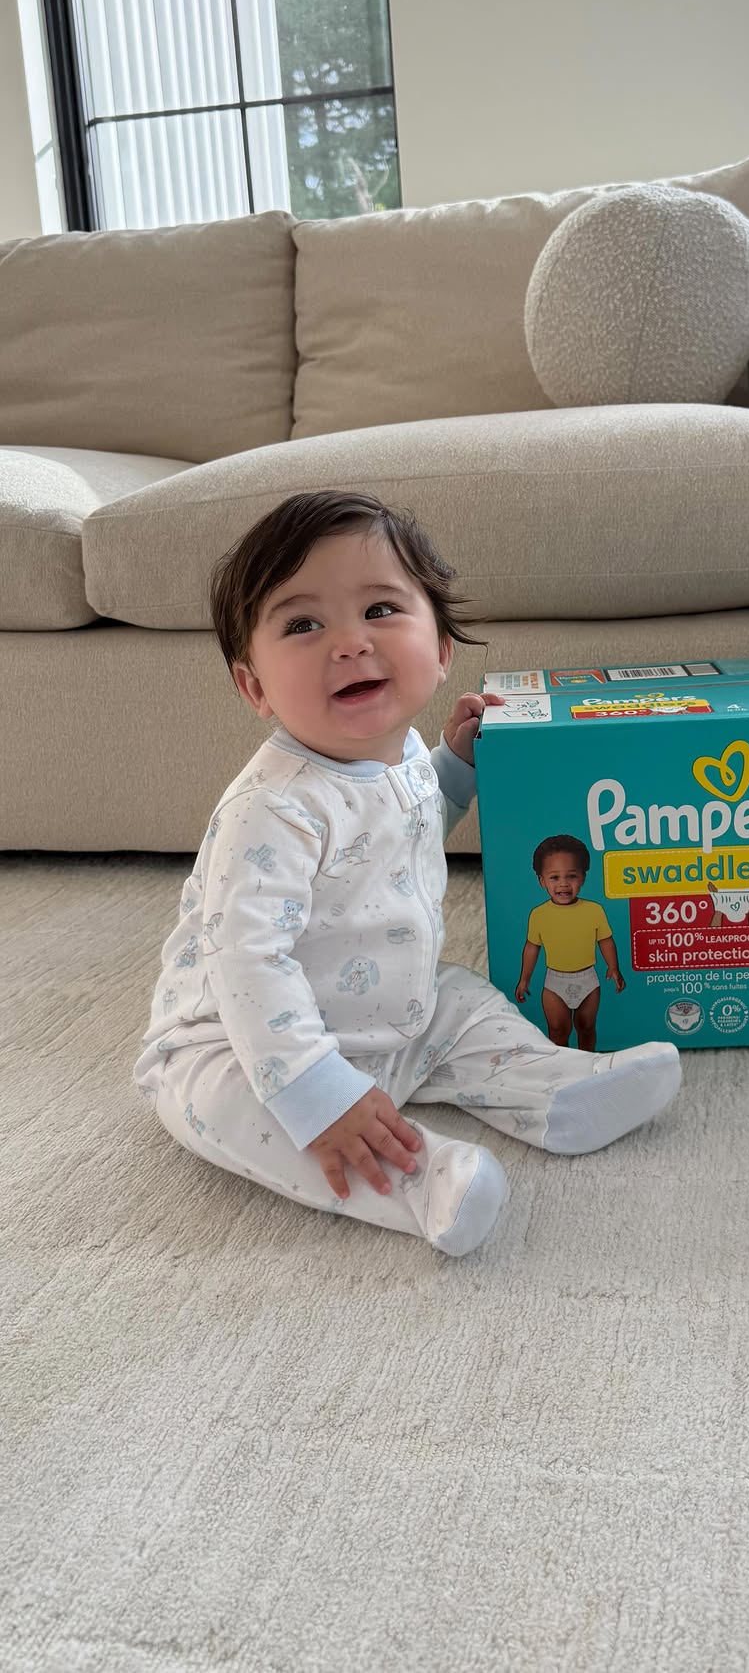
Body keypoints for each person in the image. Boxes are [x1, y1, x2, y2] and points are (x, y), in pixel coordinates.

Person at [134, 490, 681, 1258]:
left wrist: (453, 767)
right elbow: (245, 960)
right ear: (255, 687)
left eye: (381, 610)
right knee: (254, 1119)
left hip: (394, 1008)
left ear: (443, 647)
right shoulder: (274, 809)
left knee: (467, 1003)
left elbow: (405, 834)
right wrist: (315, 1089)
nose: (349, 643)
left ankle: (558, 1089)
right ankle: (424, 1181)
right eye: (303, 625)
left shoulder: (404, 760)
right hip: (239, 1040)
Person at [516, 836, 625, 1051]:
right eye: (554, 877)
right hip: (555, 982)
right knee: (558, 1030)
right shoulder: (539, 915)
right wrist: (524, 979)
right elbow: (532, 948)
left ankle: (587, 1062)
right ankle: (563, 1065)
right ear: (542, 881)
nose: (563, 884)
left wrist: (613, 967)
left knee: (586, 1026)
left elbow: (605, 940)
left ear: (583, 877)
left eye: (572, 876)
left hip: (588, 980)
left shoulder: (594, 910)